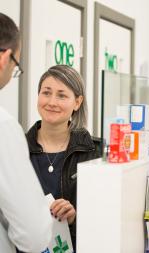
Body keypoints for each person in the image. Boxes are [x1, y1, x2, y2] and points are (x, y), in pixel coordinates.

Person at [26, 64, 102, 251]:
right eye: (46, 92)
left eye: (61, 95)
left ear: (77, 102)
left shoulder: (97, 153)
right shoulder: (17, 149)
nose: (52, 102)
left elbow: (106, 216)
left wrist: (75, 218)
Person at [0, 13, 52, 253]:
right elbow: (33, 235)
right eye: (16, 66)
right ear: (5, 58)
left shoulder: (89, 147)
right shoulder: (5, 128)